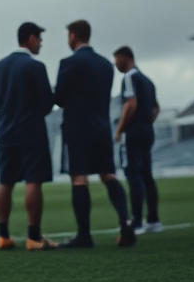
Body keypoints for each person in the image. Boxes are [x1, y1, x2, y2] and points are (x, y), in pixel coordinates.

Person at [53, 20, 135, 248]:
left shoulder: (68, 63)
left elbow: (59, 98)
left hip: (77, 129)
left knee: (79, 179)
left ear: (72, 36)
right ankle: (125, 222)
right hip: (101, 127)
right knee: (108, 176)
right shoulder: (106, 65)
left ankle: (84, 235)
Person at [0, 21, 59, 250]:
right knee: (33, 181)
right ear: (30, 39)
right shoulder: (35, 67)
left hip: (6, 133)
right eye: (39, 39)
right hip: (31, 133)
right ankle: (34, 237)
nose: (41, 44)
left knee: (5, 182)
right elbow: (48, 104)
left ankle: (3, 236)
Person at [112, 46, 162, 235]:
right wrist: (146, 124)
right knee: (147, 175)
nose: (115, 64)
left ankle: (136, 221)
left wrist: (120, 129)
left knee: (133, 174)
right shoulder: (148, 81)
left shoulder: (129, 77)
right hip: (147, 130)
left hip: (133, 132)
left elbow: (130, 104)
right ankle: (153, 220)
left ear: (126, 58)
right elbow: (156, 109)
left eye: (117, 59)